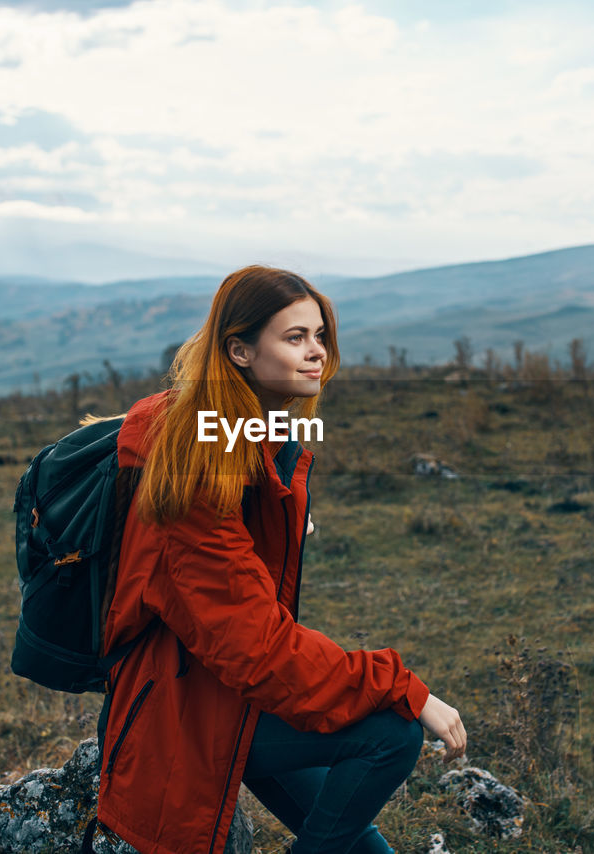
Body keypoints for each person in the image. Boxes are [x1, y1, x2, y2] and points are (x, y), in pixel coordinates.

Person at [94, 265, 467, 854]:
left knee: (363, 847)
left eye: (319, 335)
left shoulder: (230, 427)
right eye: (294, 338)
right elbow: (255, 644)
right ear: (239, 350)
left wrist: (275, 516)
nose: (317, 352)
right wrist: (404, 685)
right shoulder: (198, 462)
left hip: (224, 689)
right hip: (185, 707)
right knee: (391, 730)